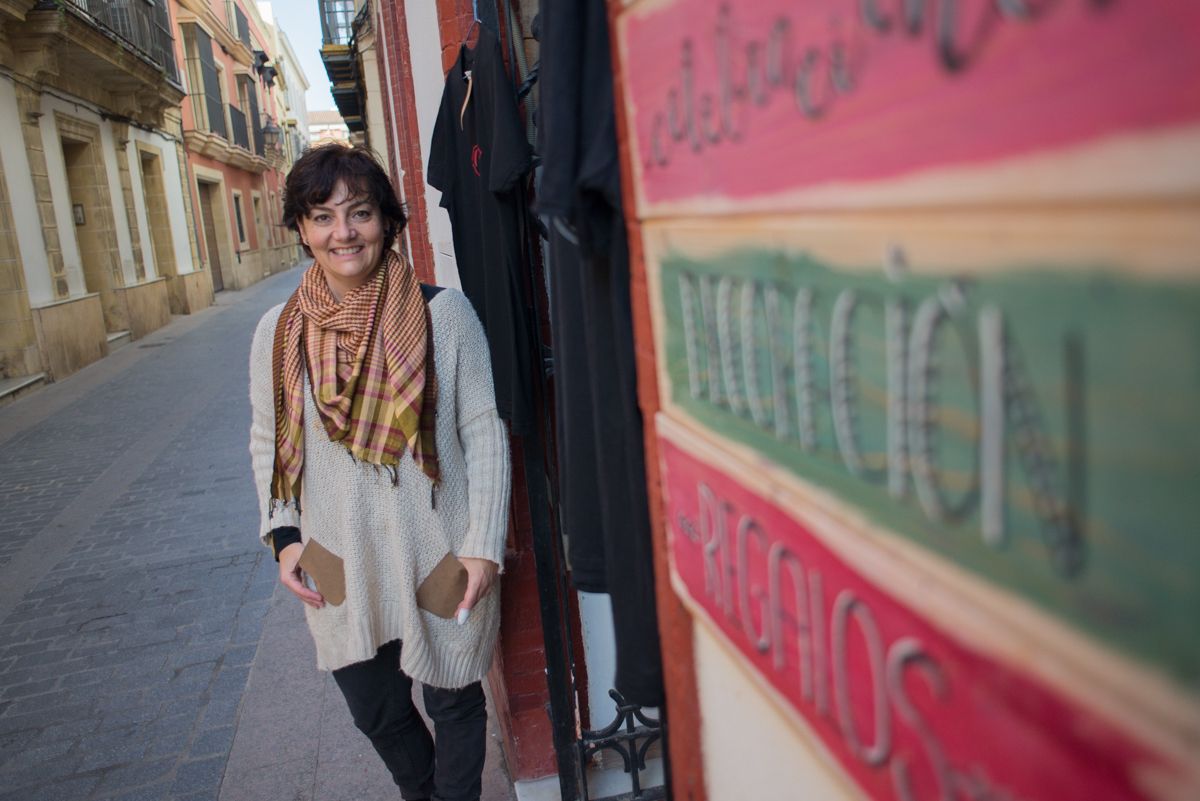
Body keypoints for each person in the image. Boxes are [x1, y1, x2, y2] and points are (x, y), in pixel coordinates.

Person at [248, 143, 511, 801]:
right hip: (338, 554)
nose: (343, 232)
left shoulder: (443, 314)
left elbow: (484, 432)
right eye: (323, 217)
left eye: (359, 212)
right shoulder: (278, 333)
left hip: (440, 546)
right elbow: (268, 441)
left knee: (454, 696)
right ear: (302, 229)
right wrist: (284, 539)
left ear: (387, 221)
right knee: (375, 709)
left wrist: (483, 546)